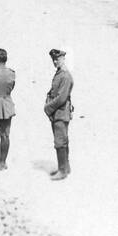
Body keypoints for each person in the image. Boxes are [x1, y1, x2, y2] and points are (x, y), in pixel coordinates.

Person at [44, 49, 74, 180]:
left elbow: (61, 98)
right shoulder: (59, 74)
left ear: (63, 58)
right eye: (53, 60)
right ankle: (65, 167)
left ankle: (62, 171)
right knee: (62, 140)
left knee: (60, 141)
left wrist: (48, 108)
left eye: (57, 59)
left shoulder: (65, 76)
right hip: (58, 112)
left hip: (60, 112)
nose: (55, 62)